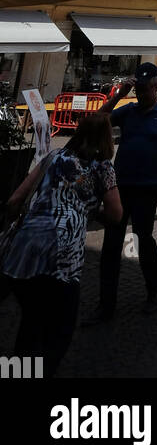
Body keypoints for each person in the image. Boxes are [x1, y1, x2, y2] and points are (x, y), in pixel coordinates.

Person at [1, 113, 122, 376]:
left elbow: (14, 201)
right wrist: (88, 207)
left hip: (24, 250)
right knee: (60, 331)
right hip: (62, 256)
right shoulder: (102, 168)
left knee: (31, 322)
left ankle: (17, 373)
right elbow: (116, 214)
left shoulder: (53, 157)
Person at [89, 62, 157, 321]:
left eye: (145, 90)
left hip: (147, 187)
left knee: (143, 239)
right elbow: (98, 120)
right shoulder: (128, 110)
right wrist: (119, 94)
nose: (141, 95)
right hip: (119, 185)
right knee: (111, 243)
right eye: (138, 90)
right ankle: (106, 304)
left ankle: (154, 289)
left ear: (156, 87)